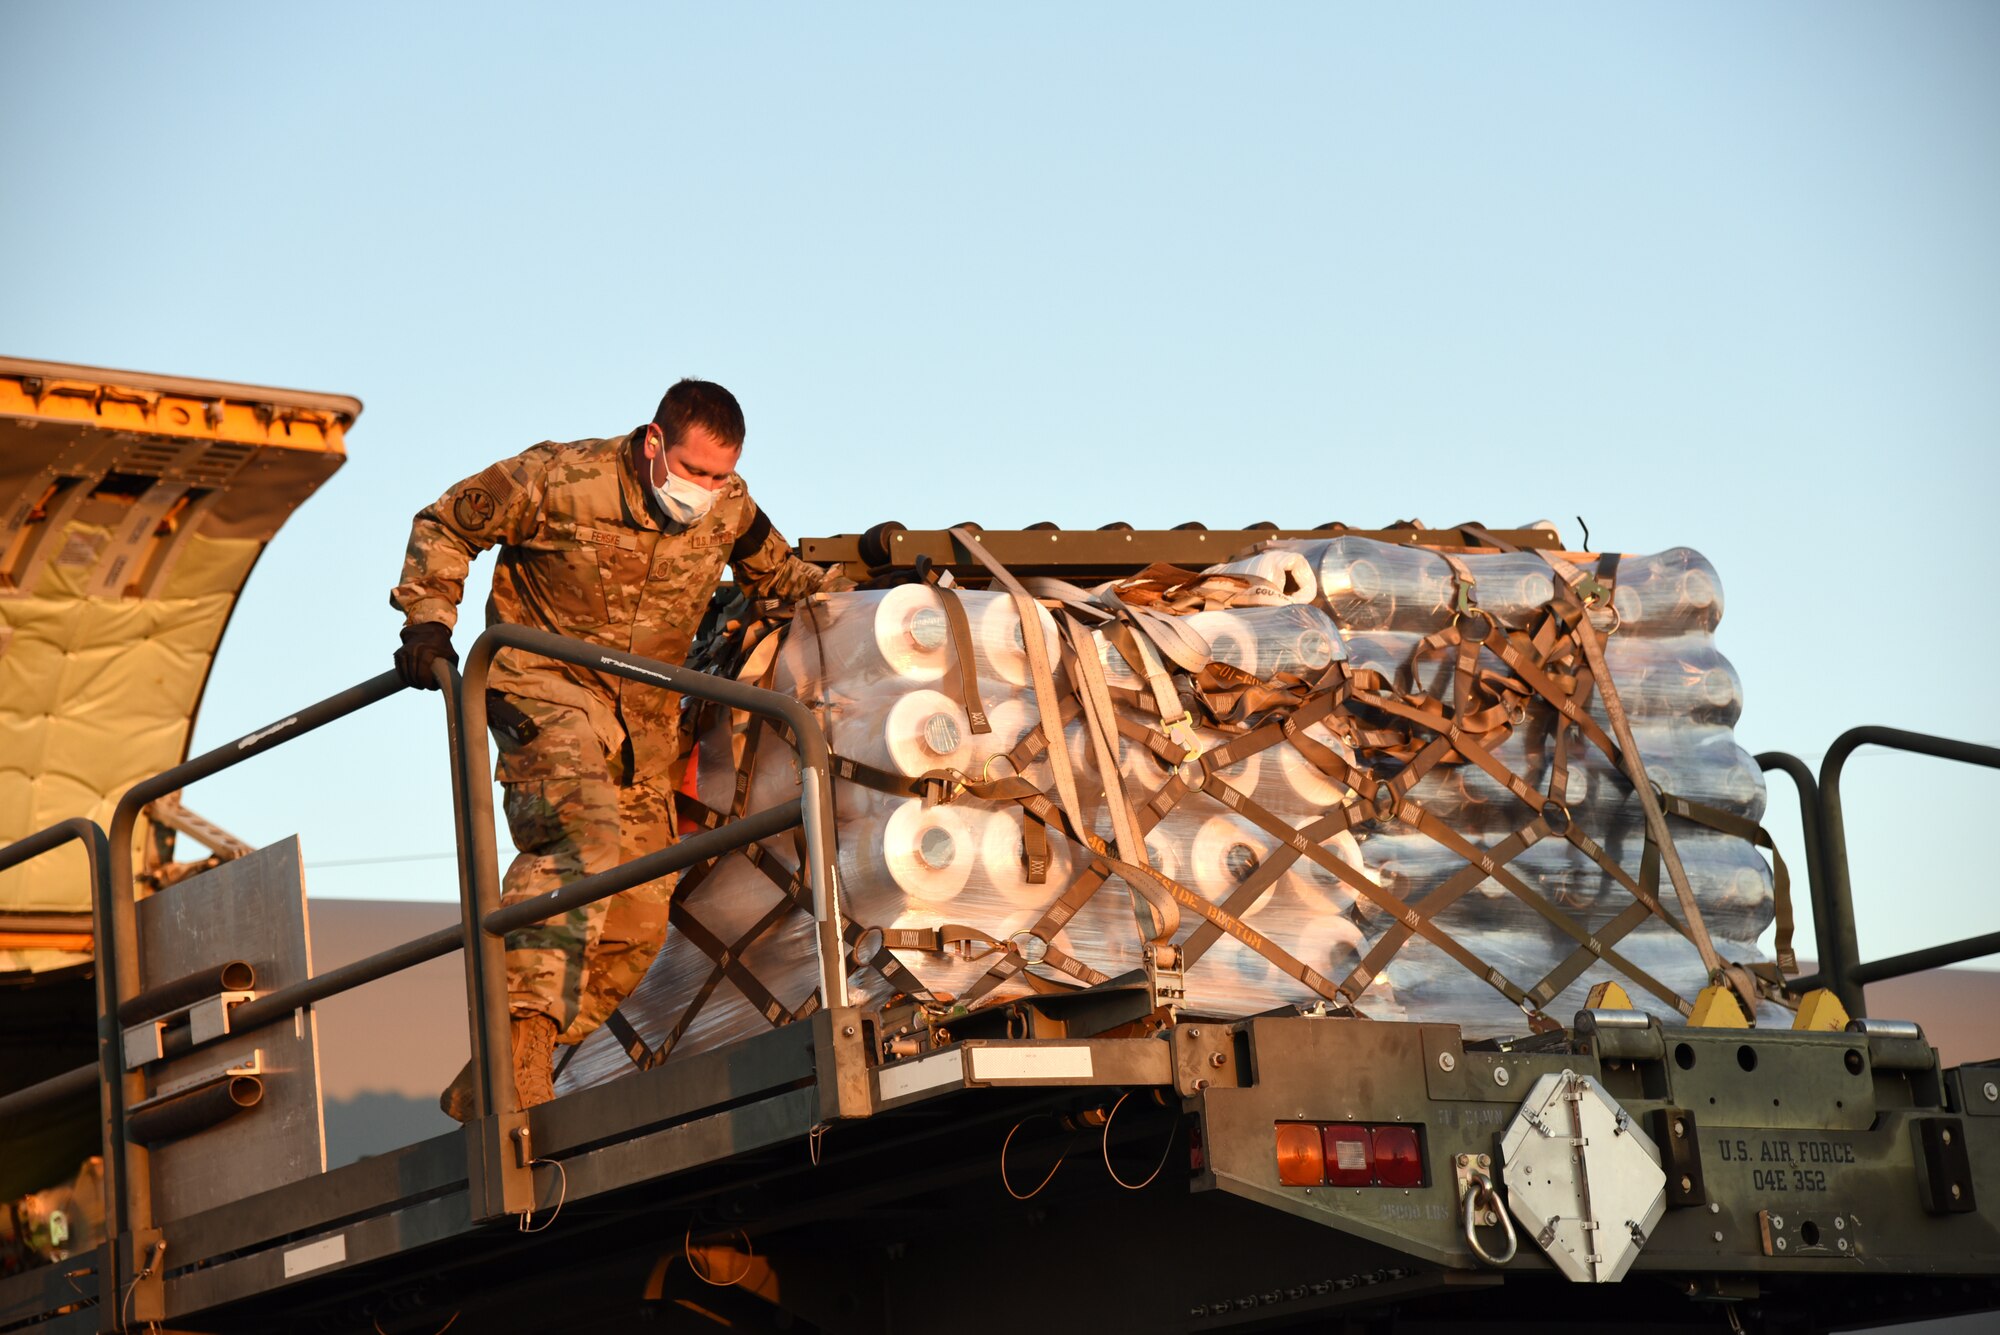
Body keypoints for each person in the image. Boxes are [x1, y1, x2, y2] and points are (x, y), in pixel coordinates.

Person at [390, 379, 831, 1119]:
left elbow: (780, 576)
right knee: (581, 838)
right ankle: (523, 1053)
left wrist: (872, 599)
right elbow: (447, 522)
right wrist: (428, 620)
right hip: (543, 683)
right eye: (695, 472)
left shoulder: (732, 508)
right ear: (654, 443)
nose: (708, 490)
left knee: (637, 915)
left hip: (642, 727)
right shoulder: (562, 478)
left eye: (722, 476)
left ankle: (499, 1060)